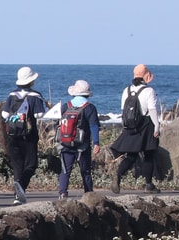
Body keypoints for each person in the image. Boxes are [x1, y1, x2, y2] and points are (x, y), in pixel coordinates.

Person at [110, 64, 163, 193]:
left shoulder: (126, 90)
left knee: (131, 155)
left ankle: (118, 174)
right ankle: (149, 185)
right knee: (149, 155)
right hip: (146, 124)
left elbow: (123, 110)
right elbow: (152, 110)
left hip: (130, 126)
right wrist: (157, 126)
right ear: (146, 76)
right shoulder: (149, 91)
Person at [0, 66, 47, 205]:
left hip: (12, 134)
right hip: (29, 134)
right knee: (31, 165)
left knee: (17, 165)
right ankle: (20, 185)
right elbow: (40, 115)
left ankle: (17, 196)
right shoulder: (35, 96)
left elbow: (4, 114)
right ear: (32, 81)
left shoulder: (12, 95)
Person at [56, 80, 101, 198]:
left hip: (65, 143)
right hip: (82, 145)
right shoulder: (89, 108)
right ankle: (89, 194)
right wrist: (96, 143)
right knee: (85, 171)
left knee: (65, 170)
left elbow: (60, 124)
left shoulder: (66, 106)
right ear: (87, 94)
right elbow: (94, 126)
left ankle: (62, 193)